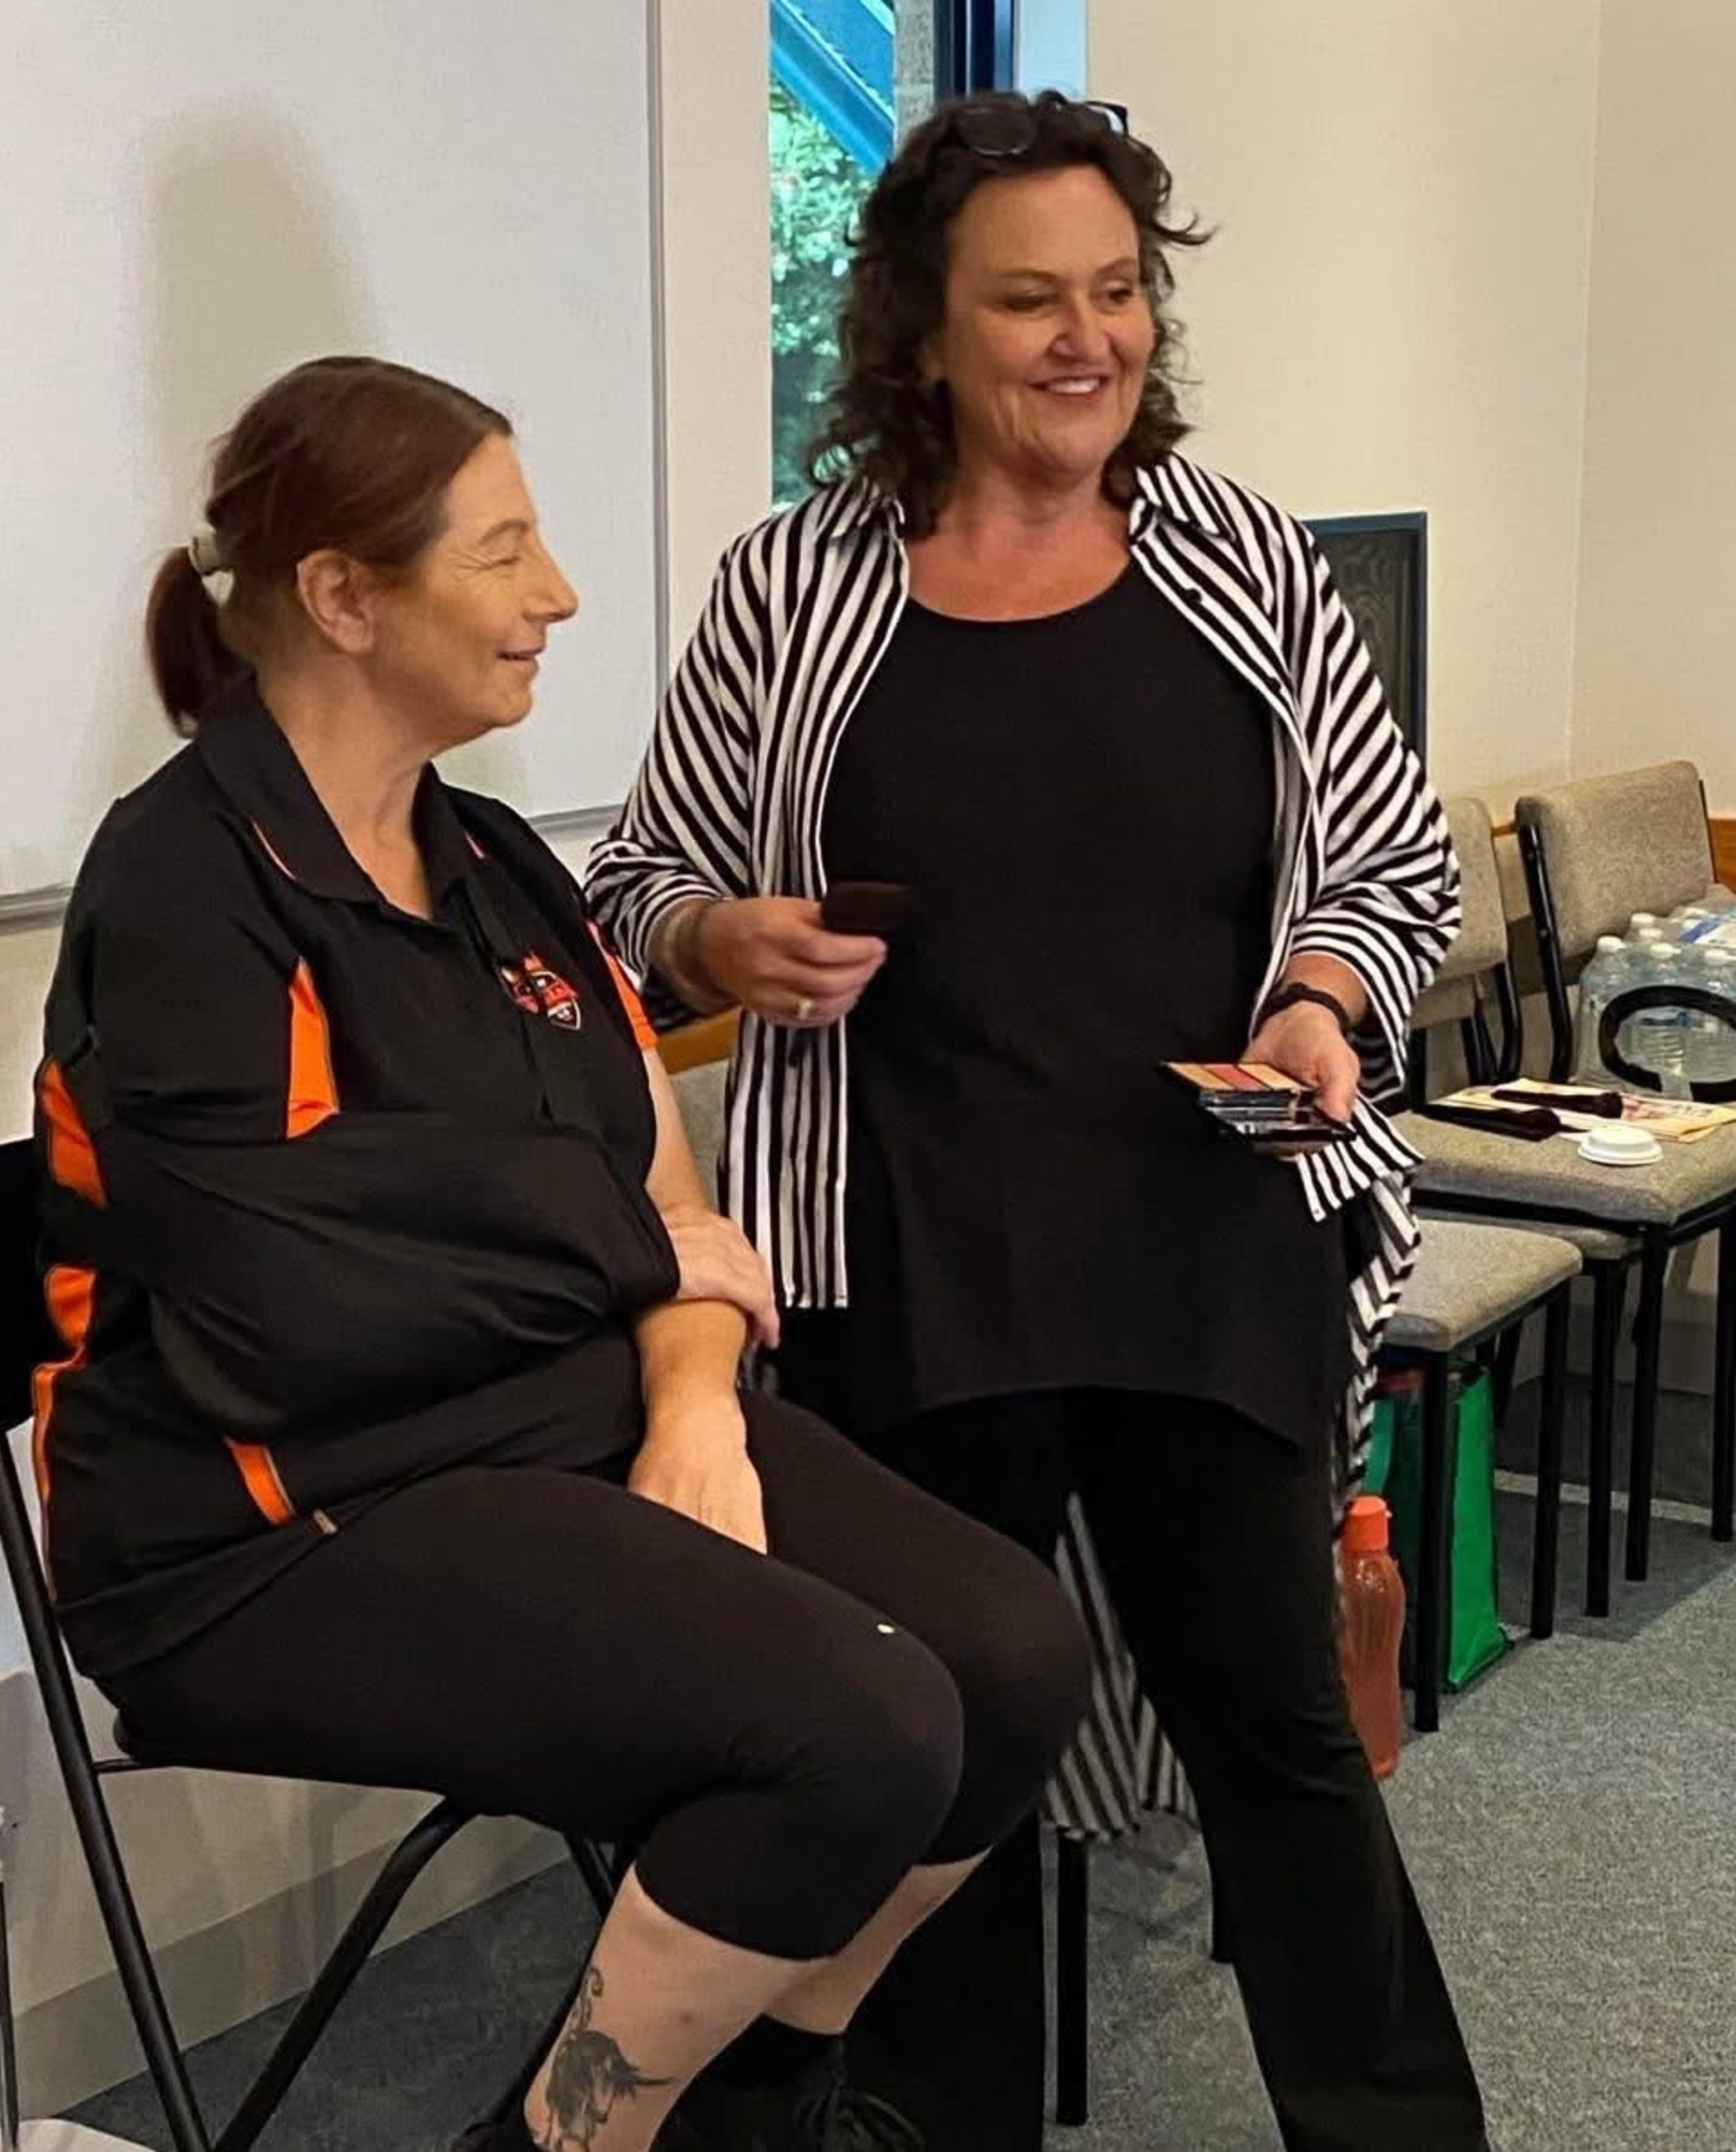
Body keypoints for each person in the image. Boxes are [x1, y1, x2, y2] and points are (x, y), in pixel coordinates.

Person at [30, 355, 1093, 2152]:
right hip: (262, 1526)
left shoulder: (502, 861)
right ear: (345, 597)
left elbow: (664, 1189)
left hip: (569, 1418)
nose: (561, 596)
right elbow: (304, 1308)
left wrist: (688, 1398)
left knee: (1012, 1657)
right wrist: (626, 1247)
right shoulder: (183, 887)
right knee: (856, 1724)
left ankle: (738, 2100)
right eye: (503, 551)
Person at [588, 91, 1492, 2152]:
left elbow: (1391, 859)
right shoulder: (794, 586)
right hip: (902, 1252)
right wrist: (727, 932)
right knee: (952, 1743)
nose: (1086, 338)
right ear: (922, 330)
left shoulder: (1246, 561)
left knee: (1274, 1732)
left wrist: (1320, 992)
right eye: (1029, 300)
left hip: (1199, 1237)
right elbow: (640, 890)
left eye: (1116, 292)